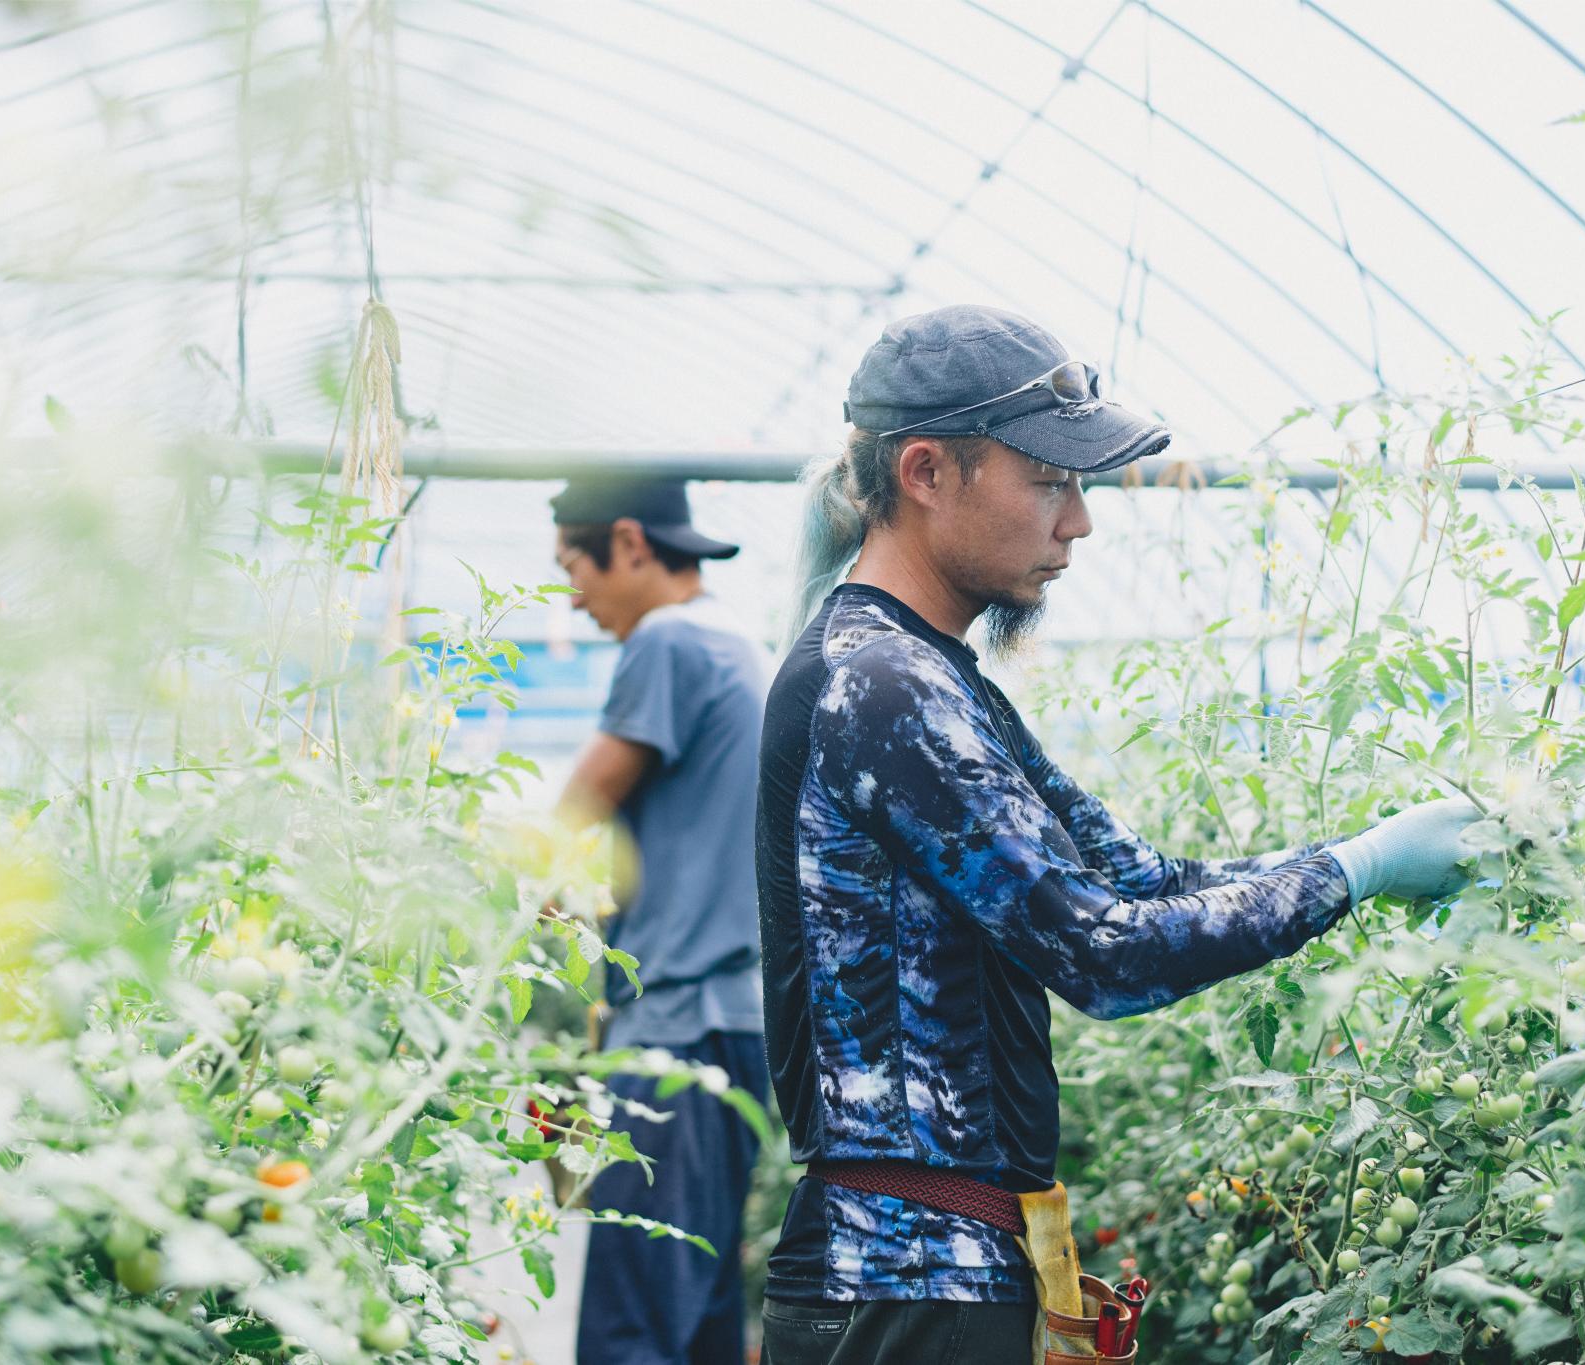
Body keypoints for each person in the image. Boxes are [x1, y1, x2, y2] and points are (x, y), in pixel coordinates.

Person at [754, 305, 1479, 1362]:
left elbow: (1141, 882)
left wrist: (1379, 852)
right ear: (925, 472)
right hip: (901, 1285)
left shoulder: (938, 680)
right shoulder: (880, 688)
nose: (1078, 521)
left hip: (937, 1274)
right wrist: (1356, 872)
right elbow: (1107, 954)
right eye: (1050, 480)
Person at [550, 477, 772, 1365]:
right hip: (729, 1028)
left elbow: (578, 806)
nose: (572, 594)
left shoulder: (671, 638)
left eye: (574, 563)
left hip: (675, 1034)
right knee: (699, 1312)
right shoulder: (731, 641)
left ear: (630, 542)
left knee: (632, 1328)